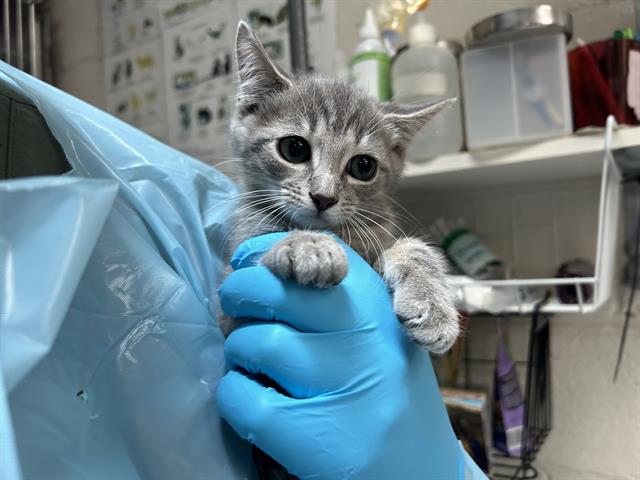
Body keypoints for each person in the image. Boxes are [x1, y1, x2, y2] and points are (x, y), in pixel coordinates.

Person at [0, 62, 486, 479]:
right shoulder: (250, 212)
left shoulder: (373, 224)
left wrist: (413, 263)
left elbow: (391, 254)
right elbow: (247, 274)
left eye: (360, 166)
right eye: (296, 150)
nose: (323, 191)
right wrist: (291, 248)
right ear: (251, 110)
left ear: (392, 162)